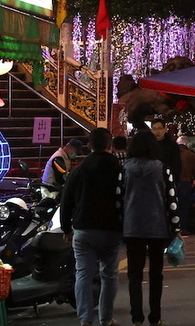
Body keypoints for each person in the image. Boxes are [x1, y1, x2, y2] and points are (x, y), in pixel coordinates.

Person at [60, 128, 123, 326]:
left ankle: (85, 319)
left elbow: (66, 200)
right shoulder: (119, 169)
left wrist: (66, 228)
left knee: (83, 274)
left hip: (83, 230)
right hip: (112, 229)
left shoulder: (79, 170)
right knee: (109, 274)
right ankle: (106, 318)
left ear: (89, 145)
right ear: (110, 145)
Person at [122, 130, 180, 326]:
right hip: (157, 228)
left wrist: (121, 223)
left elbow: (118, 200)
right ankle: (155, 317)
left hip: (132, 227)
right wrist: (176, 226)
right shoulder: (162, 168)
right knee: (156, 274)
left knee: (134, 275)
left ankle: (136, 318)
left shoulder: (125, 169)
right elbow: (171, 200)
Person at [176, 136, 195, 234]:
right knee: (184, 206)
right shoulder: (191, 155)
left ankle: (174, 227)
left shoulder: (173, 154)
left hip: (173, 182)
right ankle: (183, 227)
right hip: (186, 182)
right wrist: (193, 178)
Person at [149, 118, 182, 184]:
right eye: (154, 129)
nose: (157, 131)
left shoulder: (172, 145)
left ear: (165, 129)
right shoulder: (148, 145)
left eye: (160, 128)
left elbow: (176, 165)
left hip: (167, 179)